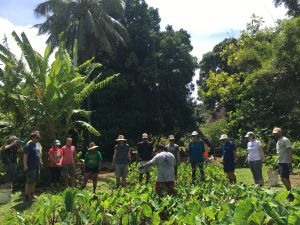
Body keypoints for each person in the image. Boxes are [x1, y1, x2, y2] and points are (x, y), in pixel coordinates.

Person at [273, 127, 294, 201]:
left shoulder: (285, 140)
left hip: (285, 162)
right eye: (274, 133)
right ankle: (290, 194)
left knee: (283, 178)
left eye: (276, 133)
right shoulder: (278, 141)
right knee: (286, 178)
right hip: (280, 162)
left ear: (280, 132)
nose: (274, 134)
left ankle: (291, 194)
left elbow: (289, 150)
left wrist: (289, 161)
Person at [23, 132, 41, 201]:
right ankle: (27, 196)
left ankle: (32, 194)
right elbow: (25, 156)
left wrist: (40, 162)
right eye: (37, 138)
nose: (38, 139)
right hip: (31, 167)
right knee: (29, 182)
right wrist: (25, 166)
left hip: (37, 167)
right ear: (32, 138)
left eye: (39, 138)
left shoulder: (36, 145)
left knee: (34, 181)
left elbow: (38, 154)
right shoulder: (28, 146)